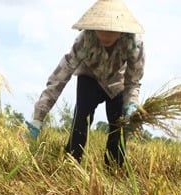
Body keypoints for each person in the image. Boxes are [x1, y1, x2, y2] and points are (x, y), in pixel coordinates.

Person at [27, 0, 145, 167]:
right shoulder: (85, 40)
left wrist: (132, 105)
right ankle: (72, 163)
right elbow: (61, 75)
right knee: (81, 120)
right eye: (102, 30)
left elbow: (133, 81)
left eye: (112, 31)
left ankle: (115, 169)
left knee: (119, 127)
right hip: (89, 77)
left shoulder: (134, 44)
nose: (106, 36)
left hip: (117, 82)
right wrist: (39, 116)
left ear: (122, 30)